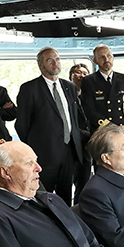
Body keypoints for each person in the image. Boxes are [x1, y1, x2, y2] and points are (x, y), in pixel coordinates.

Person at [15, 47, 89, 205]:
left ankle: (64, 226)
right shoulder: (30, 89)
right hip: (44, 155)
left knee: (65, 198)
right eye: (50, 60)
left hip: (69, 152)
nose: (55, 63)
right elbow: (22, 125)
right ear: (41, 65)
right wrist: (33, 150)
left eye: (57, 59)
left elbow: (75, 119)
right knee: (42, 197)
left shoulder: (70, 87)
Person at [80, 45, 124, 142]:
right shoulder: (89, 81)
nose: (106, 59)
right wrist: (114, 128)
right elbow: (88, 110)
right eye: (102, 57)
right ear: (95, 61)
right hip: (103, 134)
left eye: (109, 56)